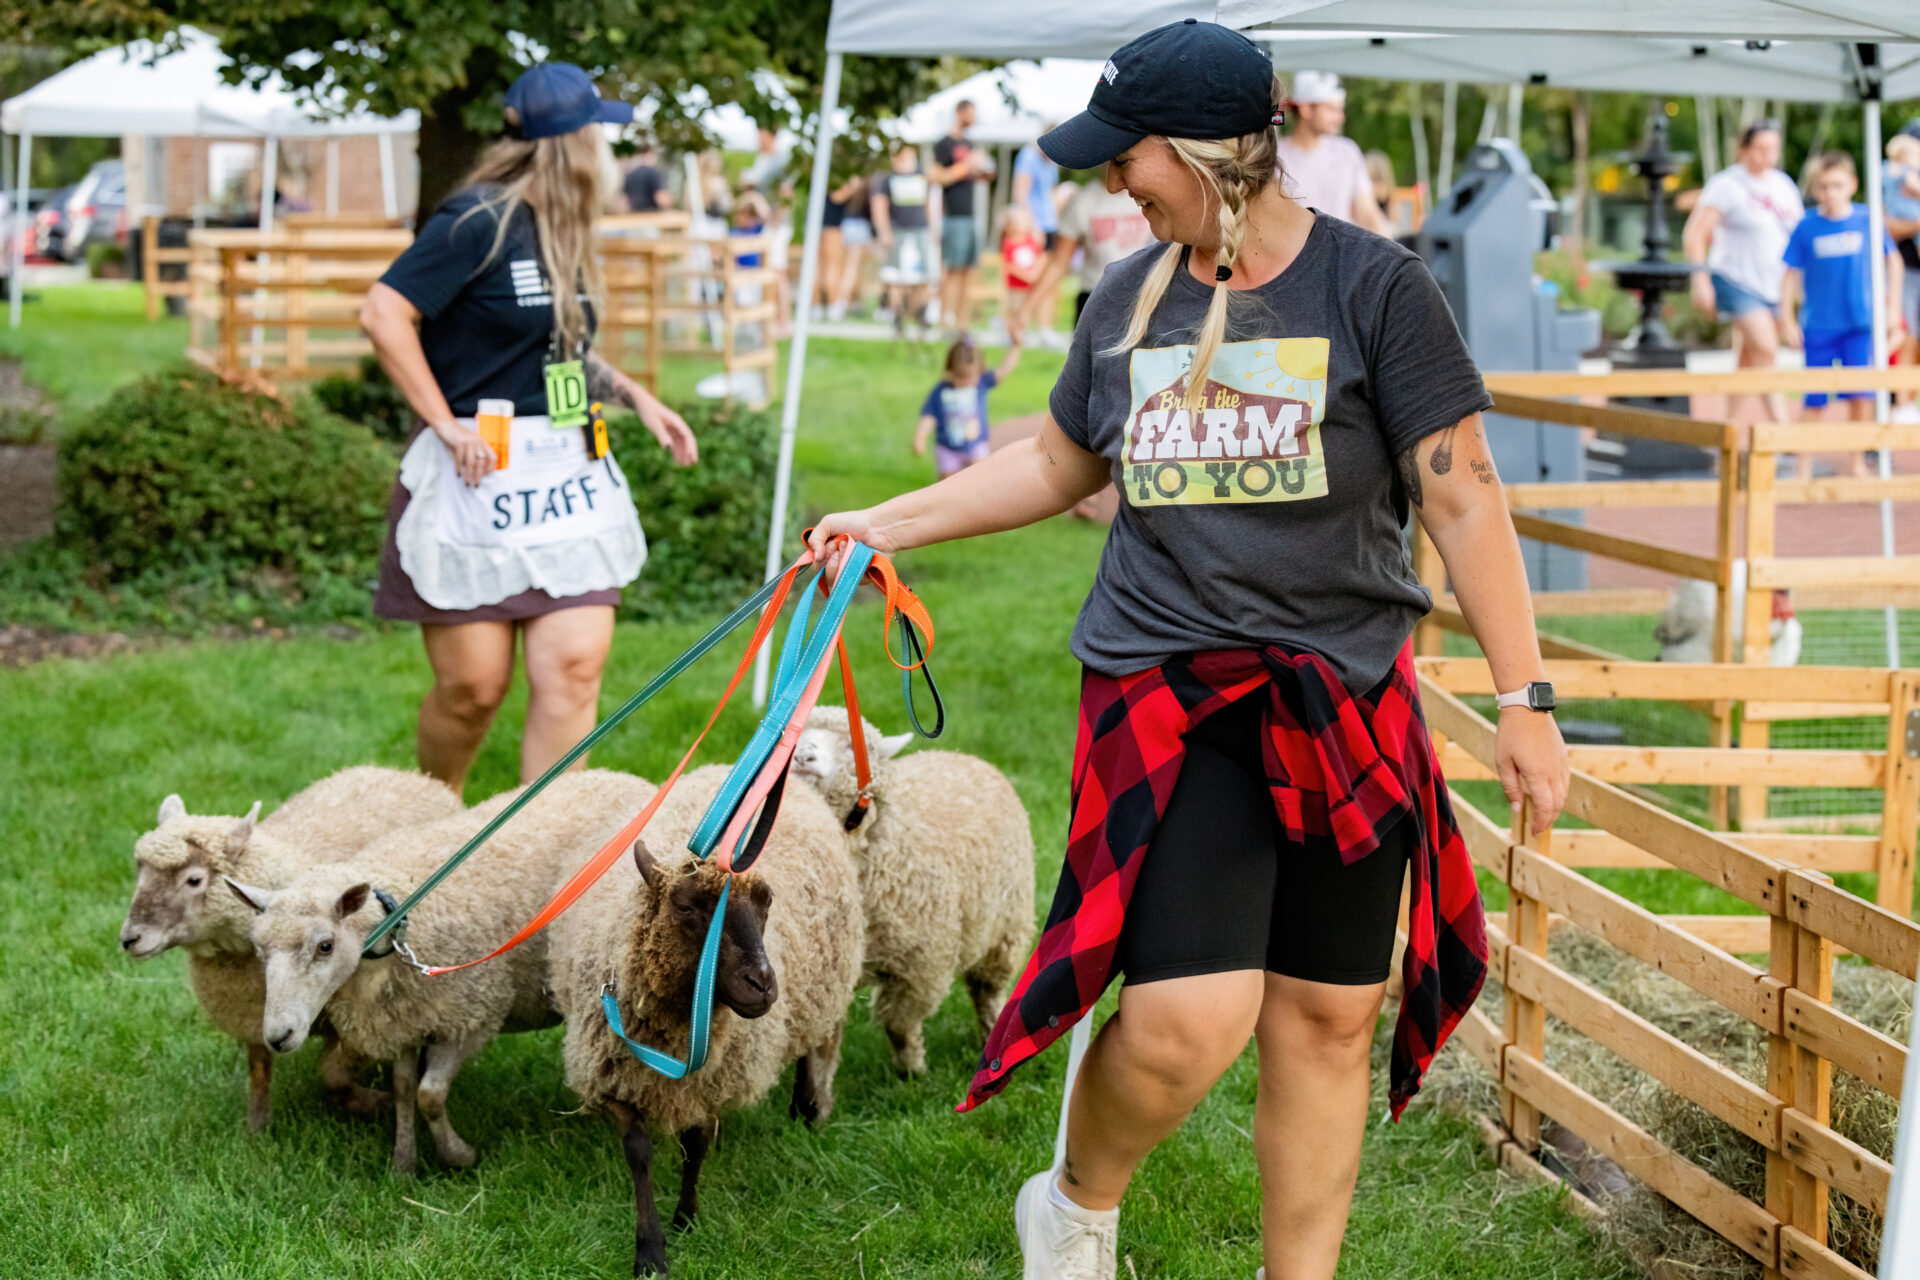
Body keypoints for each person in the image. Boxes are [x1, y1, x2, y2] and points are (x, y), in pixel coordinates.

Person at [807, 22, 1566, 1280]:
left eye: (1131, 157)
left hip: (1345, 693)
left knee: (1327, 1015)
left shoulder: (1376, 291)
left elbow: (1466, 495)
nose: (1115, 182)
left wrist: (1525, 697)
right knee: (1184, 1022)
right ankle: (1074, 1205)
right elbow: (1060, 461)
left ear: (1211, 156)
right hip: (1175, 690)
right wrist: (878, 524)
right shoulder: (1128, 296)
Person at [359, 62, 698, 796]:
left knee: (574, 670)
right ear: (574, 143)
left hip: (563, 477)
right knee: (473, 690)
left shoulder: (564, 229)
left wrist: (636, 396)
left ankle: (541, 860)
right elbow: (384, 313)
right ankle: (426, 825)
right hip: (476, 480)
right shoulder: (477, 220)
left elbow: (552, 352)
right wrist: (444, 423)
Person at [1779, 151, 1905, 477]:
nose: (1830, 193)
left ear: (1851, 184)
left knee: (1861, 396)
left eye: (1836, 185)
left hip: (1860, 323)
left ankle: (1856, 461)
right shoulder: (1807, 226)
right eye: (1822, 186)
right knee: (1814, 400)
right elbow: (1790, 273)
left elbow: (1893, 261)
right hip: (1819, 324)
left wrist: (1892, 306)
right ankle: (1803, 466)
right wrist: (1787, 318)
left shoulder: (1867, 220)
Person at [1683, 119, 1803, 428]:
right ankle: (1782, 429)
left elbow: (1797, 236)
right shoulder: (1727, 185)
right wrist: (1701, 281)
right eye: (1760, 148)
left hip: (1774, 283)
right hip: (1735, 278)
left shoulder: (1783, 185)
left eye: (1773, 149)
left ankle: (1729, 425)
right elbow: (1695, 234)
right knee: (1765, 349)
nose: (1767, 156)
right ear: (1744, 149)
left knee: (1749, 358)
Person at [1013, 163, 1153, 341]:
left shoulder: (1149, 195)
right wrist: (1026, 311)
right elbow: (1059, 262)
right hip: (1096, 297)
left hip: (1144, 297)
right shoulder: (1083, 200)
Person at [1273, 71, 1391, 236]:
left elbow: (1368, 215)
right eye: (1331, 109)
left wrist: (1389, 255)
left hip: (1342, 257)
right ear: (1306, 109)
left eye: (1340, 110)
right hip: (1294, 258)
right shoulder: (1275, 156)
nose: (1340, 118)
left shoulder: (1347, 152)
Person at [913, 336, 1022, 476]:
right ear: (950, 371)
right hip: (948, 448)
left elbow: (1005, 369)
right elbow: (929, 415)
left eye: (971, 377)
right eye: (960, 378)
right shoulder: (941, 390)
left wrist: (1016, 345)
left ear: (980, 371)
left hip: (975, 446)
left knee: (982, 475)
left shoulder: (982, 382)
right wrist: (920, 437)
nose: (966, 382)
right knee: (947, 482)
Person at [932, 101, 996, 333]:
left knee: (969, 271)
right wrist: (965, 166)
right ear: (960, 113)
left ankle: (961, 323)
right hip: (953, 216)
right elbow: (936, 176)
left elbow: (972, 175)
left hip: (971, 216)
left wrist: (983, 172)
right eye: (971, 113)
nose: (974, 118)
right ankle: (944, 320)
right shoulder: (943, 144)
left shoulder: (970, 144)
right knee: (951, 270)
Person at [872, 143, 935, 341]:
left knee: (924, 274)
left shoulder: (921, 176)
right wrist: (884, 230)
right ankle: (897, 315)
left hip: (920, 230)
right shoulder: (887, 178)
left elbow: (927, 202)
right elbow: (879, 205)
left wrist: (932, 226)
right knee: (894, 274)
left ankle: (920, 315)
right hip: (898, 229)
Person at [1013, 132, 1064, 335]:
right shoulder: (1028, 156)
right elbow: (1020, 193)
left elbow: (1051, 193)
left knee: (1049, 278)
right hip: (1033, 227)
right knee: (1026, 278)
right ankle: (1019, 324)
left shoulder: (1053, 160)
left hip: (1049, 224)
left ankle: (1044, 327)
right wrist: (1033, 226)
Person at [1885, 128, 1920, 387]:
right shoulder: (1896, 175)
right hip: (1907, 269)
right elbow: (1886, 226)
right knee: (1906, 333)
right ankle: (1901, 399)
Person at [827, 174, 872, 321]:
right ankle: (840, 303)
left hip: (849, 225)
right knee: (849, 268)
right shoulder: (856, 182)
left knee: (851, 268)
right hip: (855, 225)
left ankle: (847, 302)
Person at [1000, 204, 1046, 333]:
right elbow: (1009, 265)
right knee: (1013, 309)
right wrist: (1027, 276)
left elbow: (1041, 255)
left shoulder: (1030, 240)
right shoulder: (1008, 243)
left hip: (1030, 286)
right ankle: (1010, 333)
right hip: (1015, 286)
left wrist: (1035, 272)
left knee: (1026, 309)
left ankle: (1022, 332)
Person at [620, 143, 672, 213]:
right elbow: (660, 198)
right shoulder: (653, 173)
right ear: (650, 153)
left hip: (633, 218)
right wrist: (669, 202)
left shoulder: (629, 174)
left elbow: (624, 202)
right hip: (650, 217)